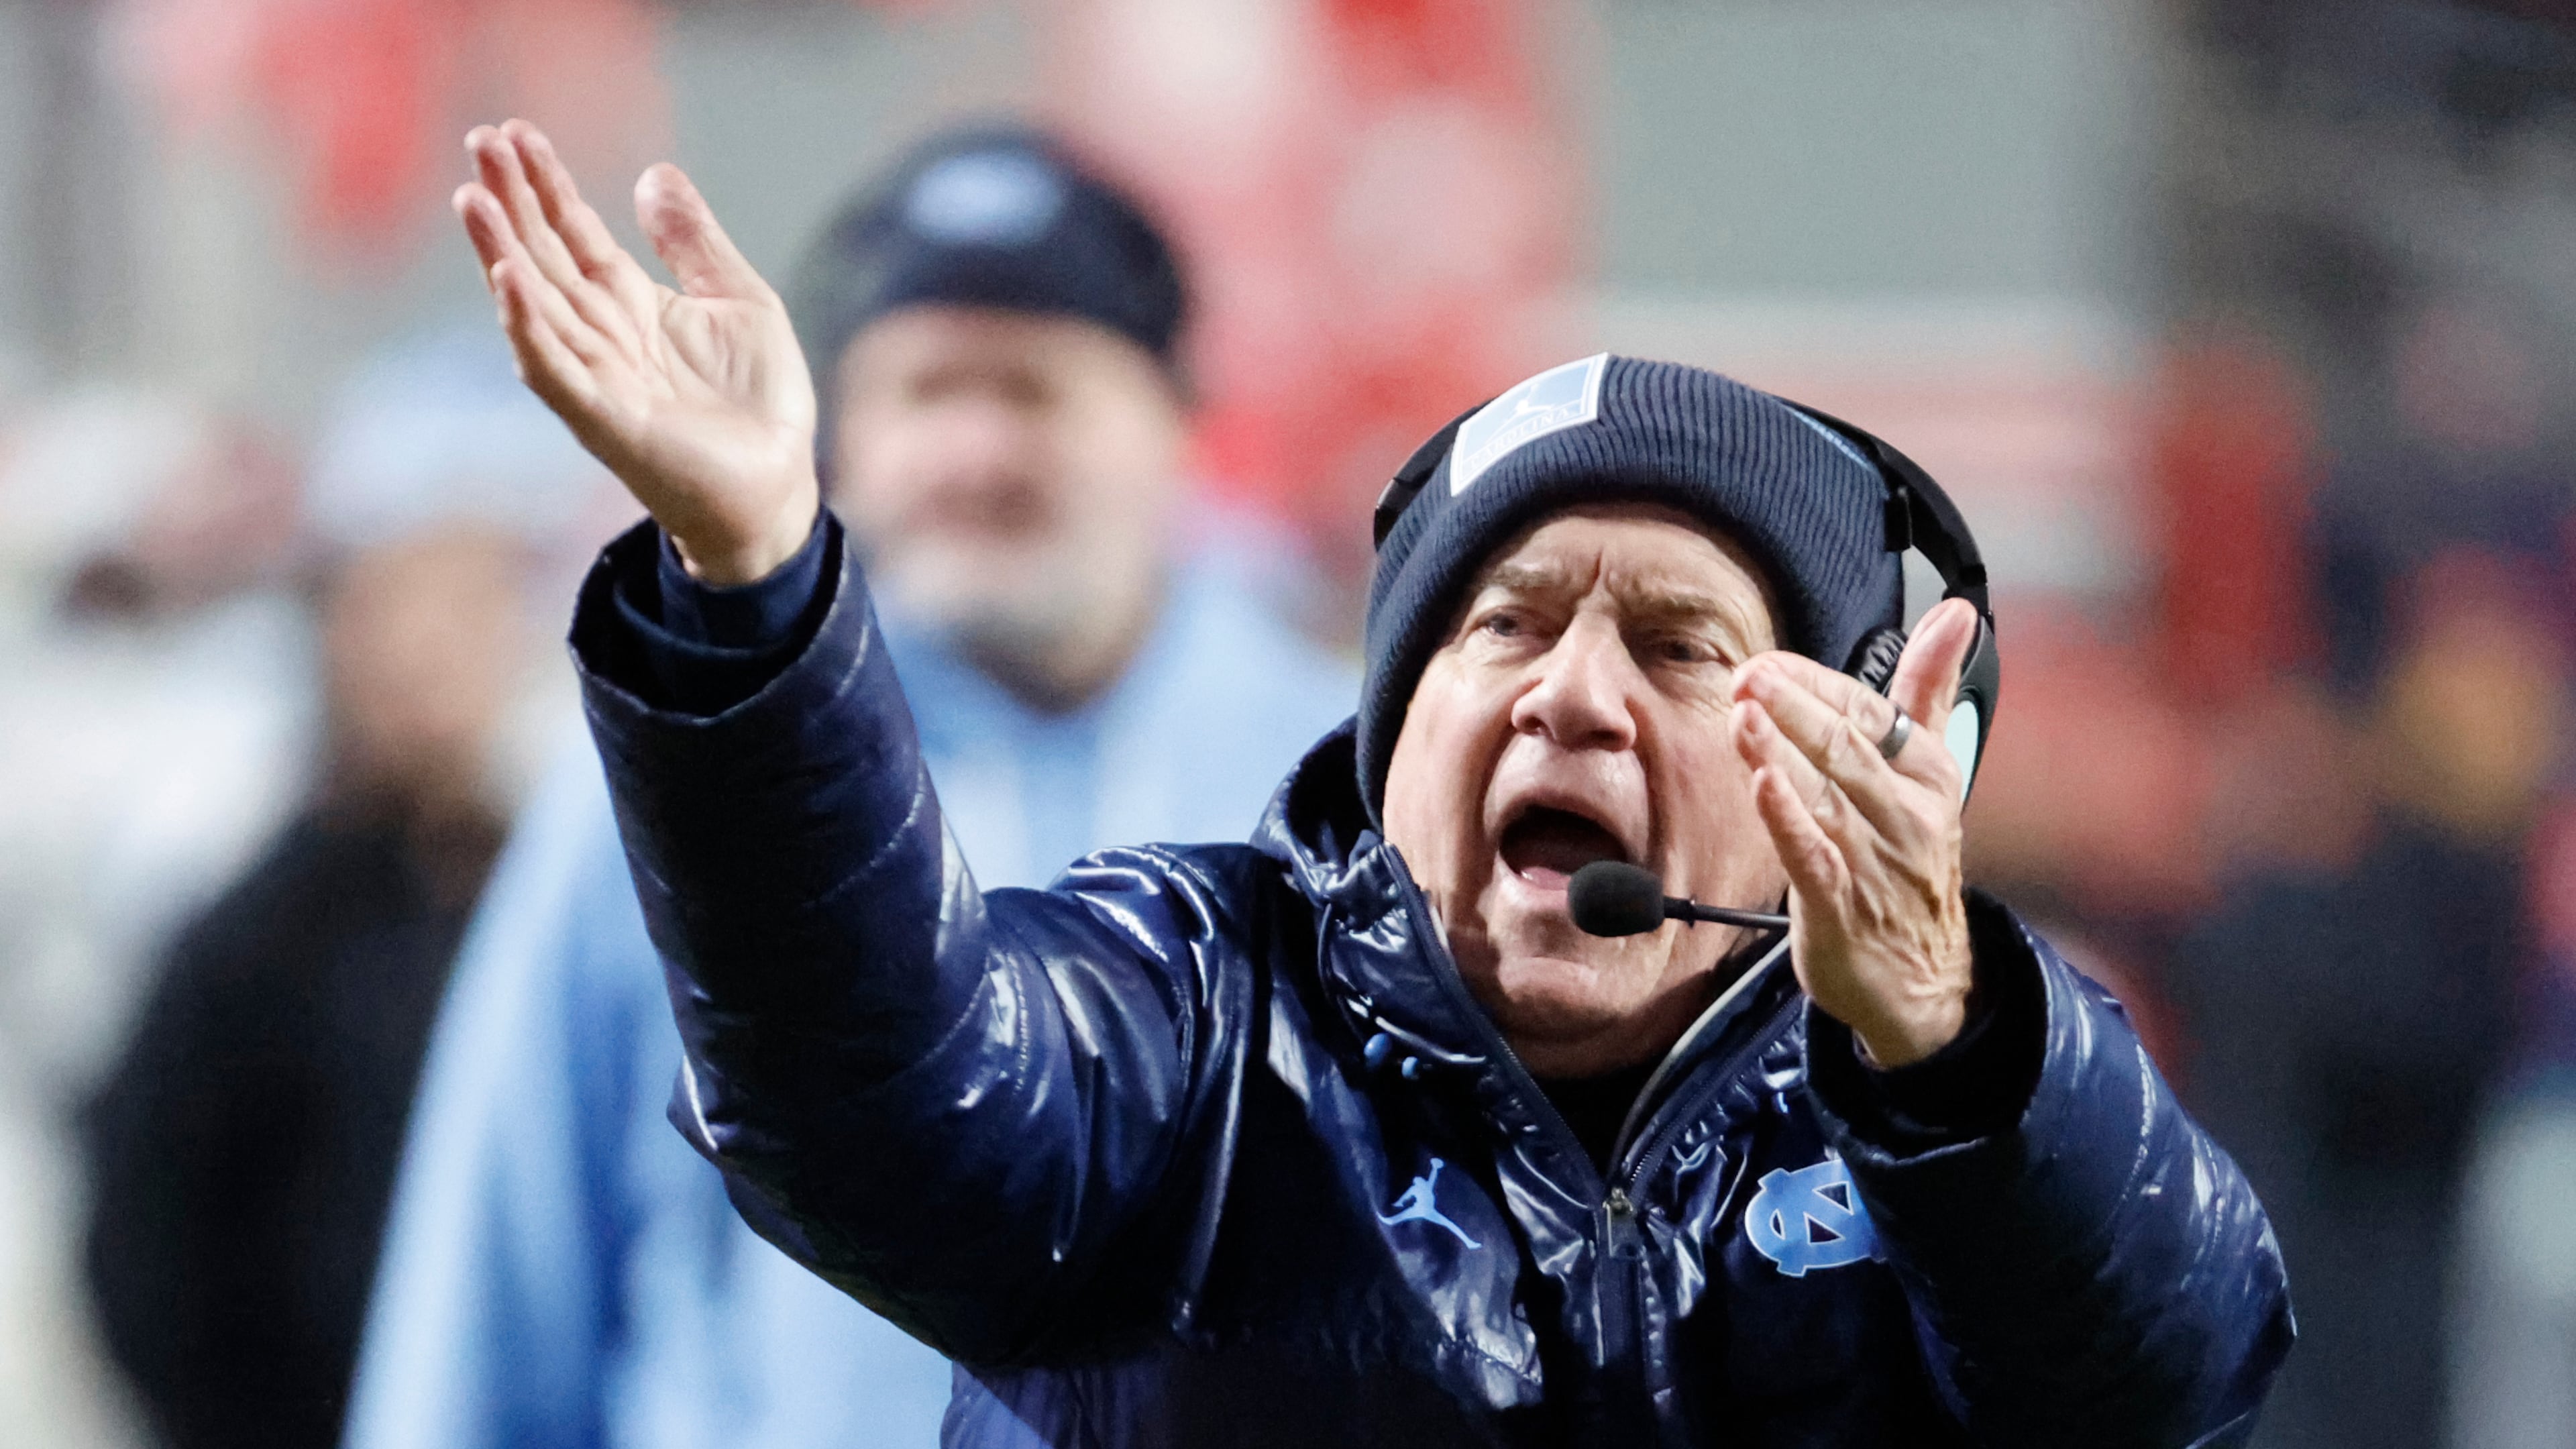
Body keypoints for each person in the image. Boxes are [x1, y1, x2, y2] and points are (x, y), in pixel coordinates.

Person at [455, 117, 2294, 1444]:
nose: (1574, 693)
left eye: (1676, 645)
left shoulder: (1944, 1089)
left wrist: (1945, 1047)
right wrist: (758, 582)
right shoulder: (1193, 1008)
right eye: (1503, 626)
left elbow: (2172, 1375)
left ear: (1854, 744)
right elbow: (881, 1103)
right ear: (1391, 726)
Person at [343, 125, 1355, 1449]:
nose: (977, 450)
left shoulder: (1346, 786)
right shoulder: (682, 769)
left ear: (1175, 421)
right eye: (927, 391)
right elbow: (500, 1268)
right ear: (837, 434)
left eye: (1034, 389)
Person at [81, 331, 602, 1449]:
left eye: (472, 602)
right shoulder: (258, 915)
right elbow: (148, 1247)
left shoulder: (565, 880)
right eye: (405, 601)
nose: (435, 650)